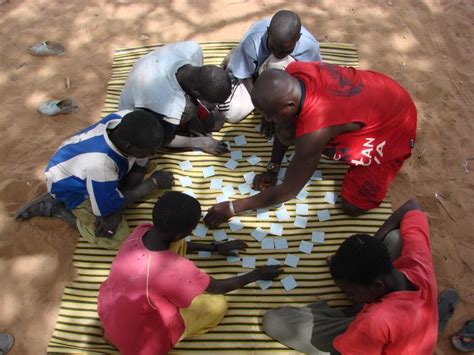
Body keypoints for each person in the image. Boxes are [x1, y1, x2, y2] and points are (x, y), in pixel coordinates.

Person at [204, 62, 417, 227]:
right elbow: (285, 124)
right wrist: (273, 167)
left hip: (394, 125)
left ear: (289, 104)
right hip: (380, 92)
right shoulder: (295, 71)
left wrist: (234, 207)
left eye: (270, 115)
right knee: (286, 127)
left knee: (352, 206)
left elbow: (288, 190)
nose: (267, 121)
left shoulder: (315, 131)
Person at [97, 191, 283, 355]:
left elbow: (177, 242)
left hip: (111, 313)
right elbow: (218, 287)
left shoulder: (142, 230)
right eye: (192, 228)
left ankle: (115, 335)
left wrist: (215, 248)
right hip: (142, 345)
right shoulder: (175, 269)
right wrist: (256, 274)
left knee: (170, 269)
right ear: (180, 234)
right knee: (217, 305)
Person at [262, 200, 459, 354]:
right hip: (414, 321)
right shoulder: (418, 262)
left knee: (275, 321)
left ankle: (430, 325)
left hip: (384, 338)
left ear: (377, 287)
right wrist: (370, 247)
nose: (345, 294)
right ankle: (434, 320)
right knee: (396, 237)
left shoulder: (375, 321)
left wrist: (354, 320)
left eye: (348, 291)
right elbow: (412, 206)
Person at [16, 110, 174, 249]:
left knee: (151, 173)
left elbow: (139, 165)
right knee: (114, 237)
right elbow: (105, 211)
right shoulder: (101, 165)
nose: (153, 153)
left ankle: (116, 192)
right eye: (149, 151)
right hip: (72, 188)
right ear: (129, 148)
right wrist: (152, 183)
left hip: (95, 172)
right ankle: (56, 208)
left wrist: (142, 183)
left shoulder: (124, 118)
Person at [119, 41, 232, 155]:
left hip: (151, 76)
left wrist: (194, 120)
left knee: (215, 121)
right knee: (191, 111)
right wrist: (200, 142)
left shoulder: (193, 50)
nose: (213, 105)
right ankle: (184, 124)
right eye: (210, 100)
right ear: (196, 93)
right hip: (138, 111)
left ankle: (191, 119)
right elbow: (163, 139)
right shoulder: (168, 104)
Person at [217, 9, 322, 128]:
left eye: (284, 50)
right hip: (256, 75)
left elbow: (313, 77)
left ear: (298, 38)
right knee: (232, 113)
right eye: (273, 47)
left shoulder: (309, 46)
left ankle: (239, 59)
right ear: (268, 32)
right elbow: (245, 77)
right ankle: (236, 57)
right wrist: (265, 109)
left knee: (277, 62)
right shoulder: (253, 41)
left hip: (284, 78)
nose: (277, 52)